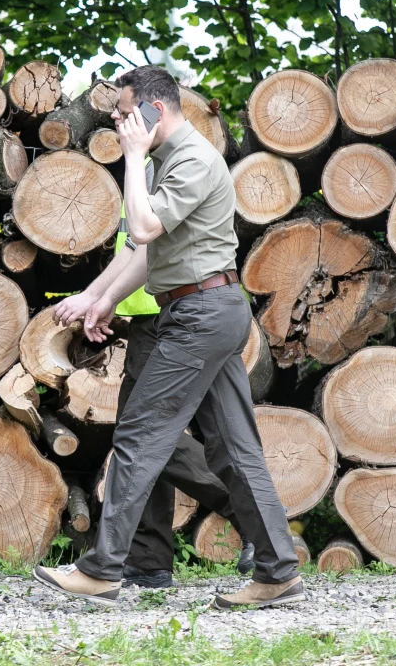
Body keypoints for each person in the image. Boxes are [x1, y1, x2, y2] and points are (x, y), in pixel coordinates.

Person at [33, 66, 302, 609]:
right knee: (233, 448)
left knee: (139, 435)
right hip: (197, 309)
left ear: (155, 109)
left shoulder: (192, 159)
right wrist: (99, 298)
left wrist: (133, 158)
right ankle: (278, 573)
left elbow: (144, 228)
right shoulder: (168, 160)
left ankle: (103, 570)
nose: (117, 121)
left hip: (201, 315)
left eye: (124, 111)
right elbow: (145, 251)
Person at [58, 200, 255, 589]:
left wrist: (100, 297)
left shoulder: (160, 169)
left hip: (175, 312)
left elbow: (148, 246)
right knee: (140, 434)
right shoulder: (142, 172)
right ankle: (148, 560)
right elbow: (134, 246)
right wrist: (101, 296)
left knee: (142, 434)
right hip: (158, 309)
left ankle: (257, 518)